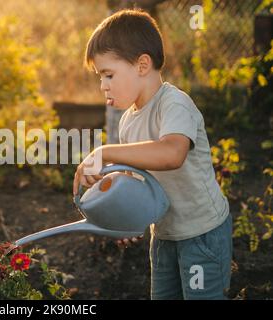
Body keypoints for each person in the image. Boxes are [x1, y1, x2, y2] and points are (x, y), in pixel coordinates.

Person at [72, 9, 232, 300]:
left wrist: (105, 152)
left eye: (108, 74)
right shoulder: (127, 121)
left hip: (201, 233)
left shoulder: (174, 104)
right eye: (100, 77)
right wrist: (126, 213)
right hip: (165, 236)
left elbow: (172, 154)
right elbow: (138, 181)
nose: (102, 85)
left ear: (142, 65)